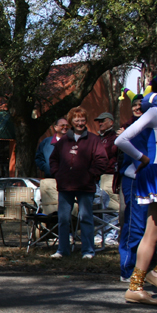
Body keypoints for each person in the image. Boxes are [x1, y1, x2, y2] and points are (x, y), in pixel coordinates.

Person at [115, 72, 157, 305]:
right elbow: (121, 140)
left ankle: (135, 287)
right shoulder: (156, 112)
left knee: (152, 232)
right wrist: (141, 158)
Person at [49, 107, 109, 259]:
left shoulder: (93, 140)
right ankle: (62, 250)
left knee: (86, 218)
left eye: (82, 120)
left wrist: (91, 175)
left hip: (86, 186)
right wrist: (58, 174)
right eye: (77, 120)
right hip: (65, 186)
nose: (80, 123)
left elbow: (102, 160)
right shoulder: (63, 141)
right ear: (71, 121)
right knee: (63, 219)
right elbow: (53, 159)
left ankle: (88, 251)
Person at [94, 112, 120, 245]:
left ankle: (111, 235)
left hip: (109, 175)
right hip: (96, 177)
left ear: (111, 122)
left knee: (112, 207)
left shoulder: (115, 138)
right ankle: (100, 233)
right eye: (98, 121)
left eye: (103, 121)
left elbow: (110, 154)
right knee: (99, 206)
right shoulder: (97, 138)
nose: (100, 123)